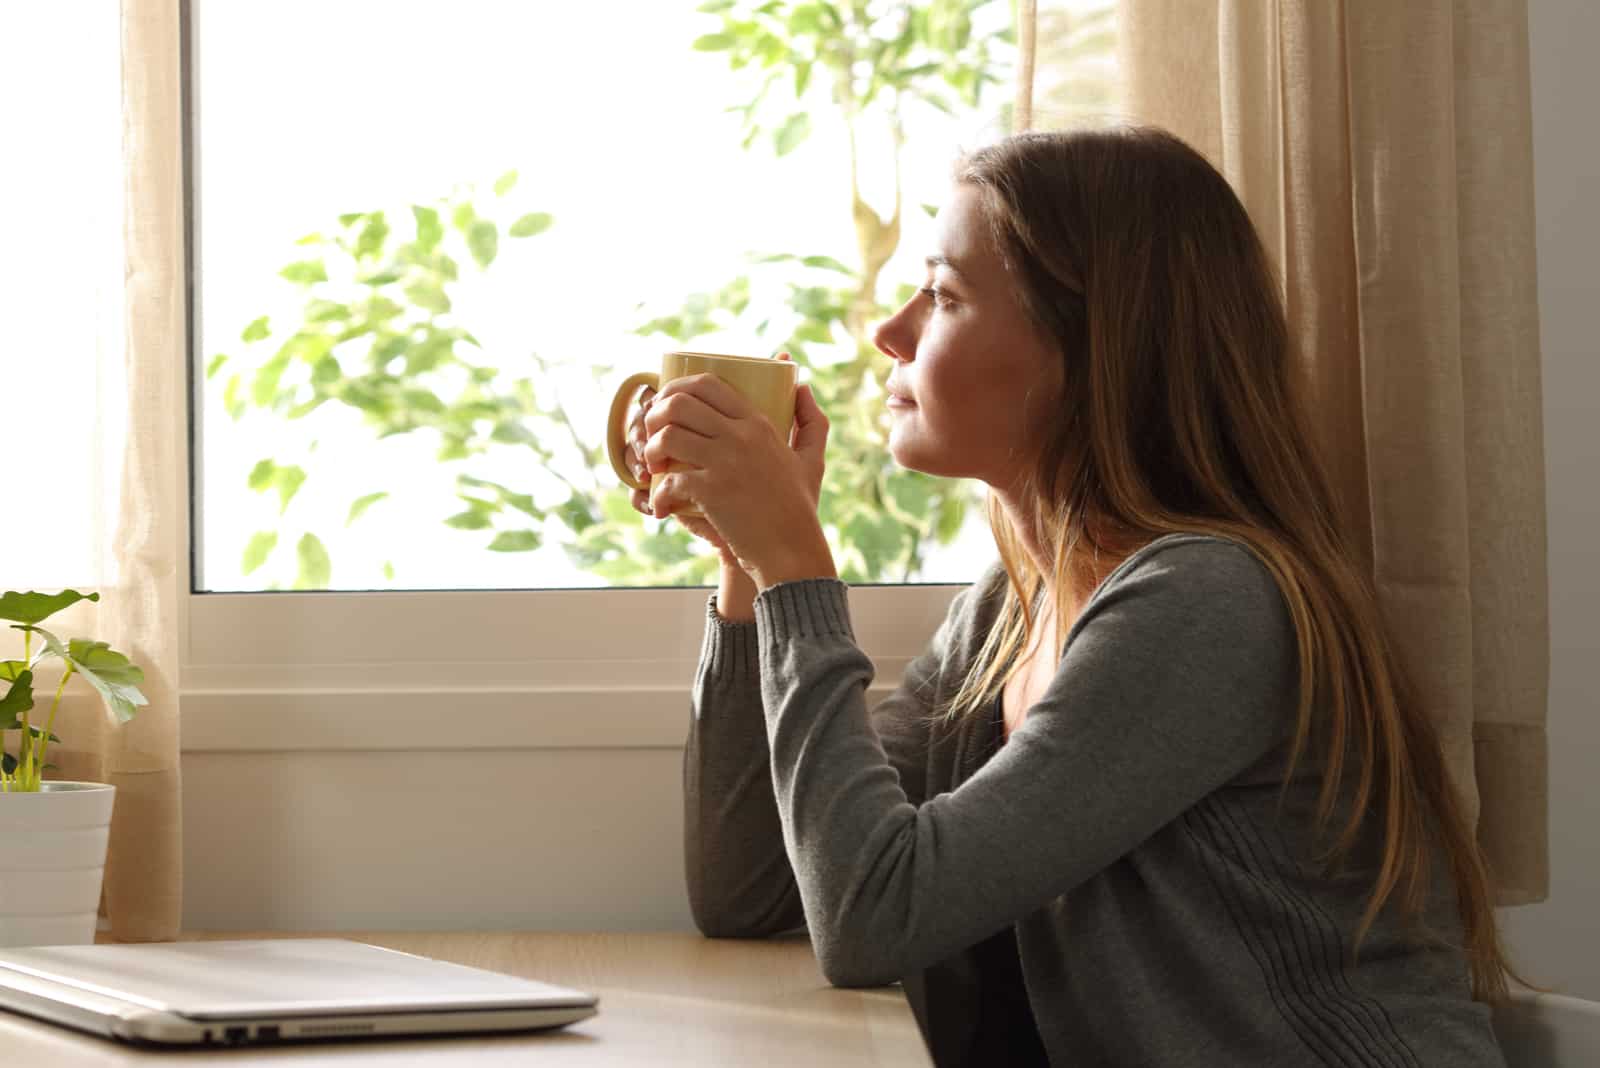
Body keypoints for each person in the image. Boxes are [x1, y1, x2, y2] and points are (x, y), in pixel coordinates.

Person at [622, 126, 1513, 1066]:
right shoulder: (1013, 607)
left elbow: (870, 919)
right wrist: (747, 568)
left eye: (945, 296)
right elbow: (752, 891)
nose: (889, 334)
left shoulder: (1209, 603)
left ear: (1091, 351)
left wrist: (798, 570)